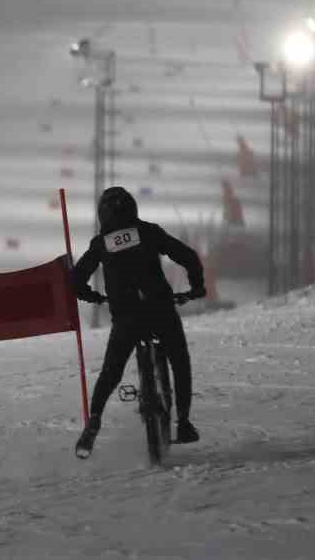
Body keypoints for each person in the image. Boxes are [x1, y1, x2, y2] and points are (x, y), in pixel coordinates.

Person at [72, 186, 205, 457]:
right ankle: (183, 422)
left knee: (112, 370)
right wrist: (197, 287)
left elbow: (75, 280)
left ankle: (94, 421)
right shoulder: (149, 232)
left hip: (127, 317)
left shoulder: (101, 243)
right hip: (160, 310)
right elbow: (189, 257)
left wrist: (93, 297)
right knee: (179, 359)